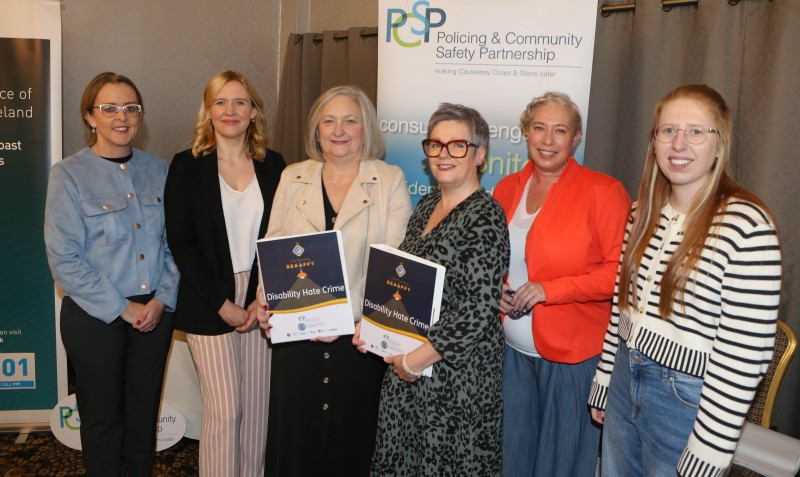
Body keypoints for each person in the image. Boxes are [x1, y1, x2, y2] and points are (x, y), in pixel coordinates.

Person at [588, 84, 783, 476]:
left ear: (719, 144)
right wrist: (606, 379)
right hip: (627, 376)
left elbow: (745, 353)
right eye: (668, 130)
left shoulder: (746, 225)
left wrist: (711, 446)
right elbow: (622, 307)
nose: (679, 144)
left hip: (689, 398)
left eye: (696, 131)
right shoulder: (642, 210)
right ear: (654, 141)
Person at [257, 85, 412, 477]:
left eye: (350, 121)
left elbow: (395, 263)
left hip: (359, 339)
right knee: (297, 444)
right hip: (298, 334)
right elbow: (273, 248)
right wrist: (266, 299)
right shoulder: (293, 176)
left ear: (366, 129)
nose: (338, 130)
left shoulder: (390, 179)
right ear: (317, 129)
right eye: (329, 120)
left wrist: (344, 318)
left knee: (350, 444)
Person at [44, 72, 179, 477]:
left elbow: (177, 246)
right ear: (90, 116)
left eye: (130, 108)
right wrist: (123, 309)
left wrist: (160, 300)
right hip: (95, 316)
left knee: (143, 417)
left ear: (139, 117)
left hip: (155, 312)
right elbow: (64, 258)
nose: (121, 117)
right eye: (109, 108)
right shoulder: (67, 175)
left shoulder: (161, 170)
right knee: (102, 421)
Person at [492, 91, 631, 477]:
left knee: (563, 463)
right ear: (526, 132)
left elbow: (619, 274)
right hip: (512, 353)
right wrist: (496, 292)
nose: (548, 140)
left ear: (576, 138)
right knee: (512, 459)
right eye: (539, 128)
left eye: (560, 130)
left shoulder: (603, 191)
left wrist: (549, 290)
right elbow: (496, 260)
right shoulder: (507, 188)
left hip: (573, 359)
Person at [368, 103, 510, 476]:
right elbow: (402, 280)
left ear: (479, 154)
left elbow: (476, 310)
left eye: (457, 145)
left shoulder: (486, 216)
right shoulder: (427, 204)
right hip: (409, 366)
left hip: (453, 380)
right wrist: (373, 328)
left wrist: (415, 362)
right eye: (435, 144)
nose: (444, 154)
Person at [164, 71, 284, 477]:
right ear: (208, 111)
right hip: (207, 298)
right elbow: (181, 242)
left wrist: (257, 298)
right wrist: (224, 304)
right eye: (220, 102)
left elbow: (281, 235)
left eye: (239, 102)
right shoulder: (186, 166)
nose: (230, 110)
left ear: (253, 112)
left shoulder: (275, 166)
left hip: (262, 294)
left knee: (256, 410)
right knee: (226, 409)